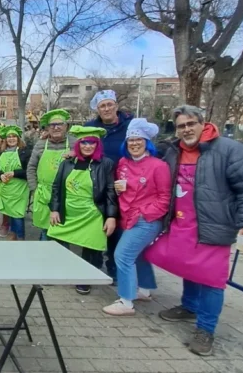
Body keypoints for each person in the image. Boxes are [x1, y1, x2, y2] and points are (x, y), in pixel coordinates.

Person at [144, 105, 243, 356]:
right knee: (186, 266)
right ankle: (189, 306)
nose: (186, 129)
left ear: (203, 123)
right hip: (180, 223)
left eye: (191, 124)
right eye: (181, 126)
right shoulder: (174, 150)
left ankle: (206, 329)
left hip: (213, 226)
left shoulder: (229, 150)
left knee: (211, 278)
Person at [102, 119, 171, 316]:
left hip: (145, 220)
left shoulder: (158, 166)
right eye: (131, 140)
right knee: (138, 254)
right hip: (127, 216)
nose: (134, 143)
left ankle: (126, 301)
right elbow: (121, 186)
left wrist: (145, 213)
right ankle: (144, 290)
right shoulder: (123, 163)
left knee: (122, 256)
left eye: (138, 140)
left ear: (147, 142)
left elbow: (165, 198)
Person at [49, 126, 117, 295]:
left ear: (97, 144)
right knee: (55, 239)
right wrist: (54, 209)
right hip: (68, 212)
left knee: (90, 247)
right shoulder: (67, 163)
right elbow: (57, 187)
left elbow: (110, 191)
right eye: (84, 142)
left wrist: (110, 216)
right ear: (78, 144)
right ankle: (62, 270)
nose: (87, 146)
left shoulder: (105, 163)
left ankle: (85, 278)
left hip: (92, 214)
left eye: (92, 143)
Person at [86, 89, 134, 281]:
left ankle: (114, 268)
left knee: (117, 228)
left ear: (116, 105)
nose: (106, 109)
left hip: (122, 186)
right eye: (102, 106)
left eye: (109, 104)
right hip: (96, 185)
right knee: (95, 227)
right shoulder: (91, 127)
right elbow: (81, 147)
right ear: (97, 109)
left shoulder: (129, 126)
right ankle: (93, 266)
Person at [27, 109, 75, 240]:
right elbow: (31, 167)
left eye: (60, 124)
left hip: (66, 194)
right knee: (46, 230)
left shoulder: (74, 143)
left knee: (63, 233)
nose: (56, 127)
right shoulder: (41, 144)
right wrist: (34, 189)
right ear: (48, 128)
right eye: (52, 125)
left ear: (66, 126)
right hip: (44, 194)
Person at [0, 126, 31, 240]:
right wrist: (0, 175)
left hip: (19, 190)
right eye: (9, 137)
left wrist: (15, 173)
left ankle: (20, 237)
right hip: (6, 189)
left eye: (14, 136)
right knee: (10, 213)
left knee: (18, 214)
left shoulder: (25, 152)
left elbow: (29, 171)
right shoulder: (2, 152)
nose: (11, 139)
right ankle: (13, 234)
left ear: (18, 138)